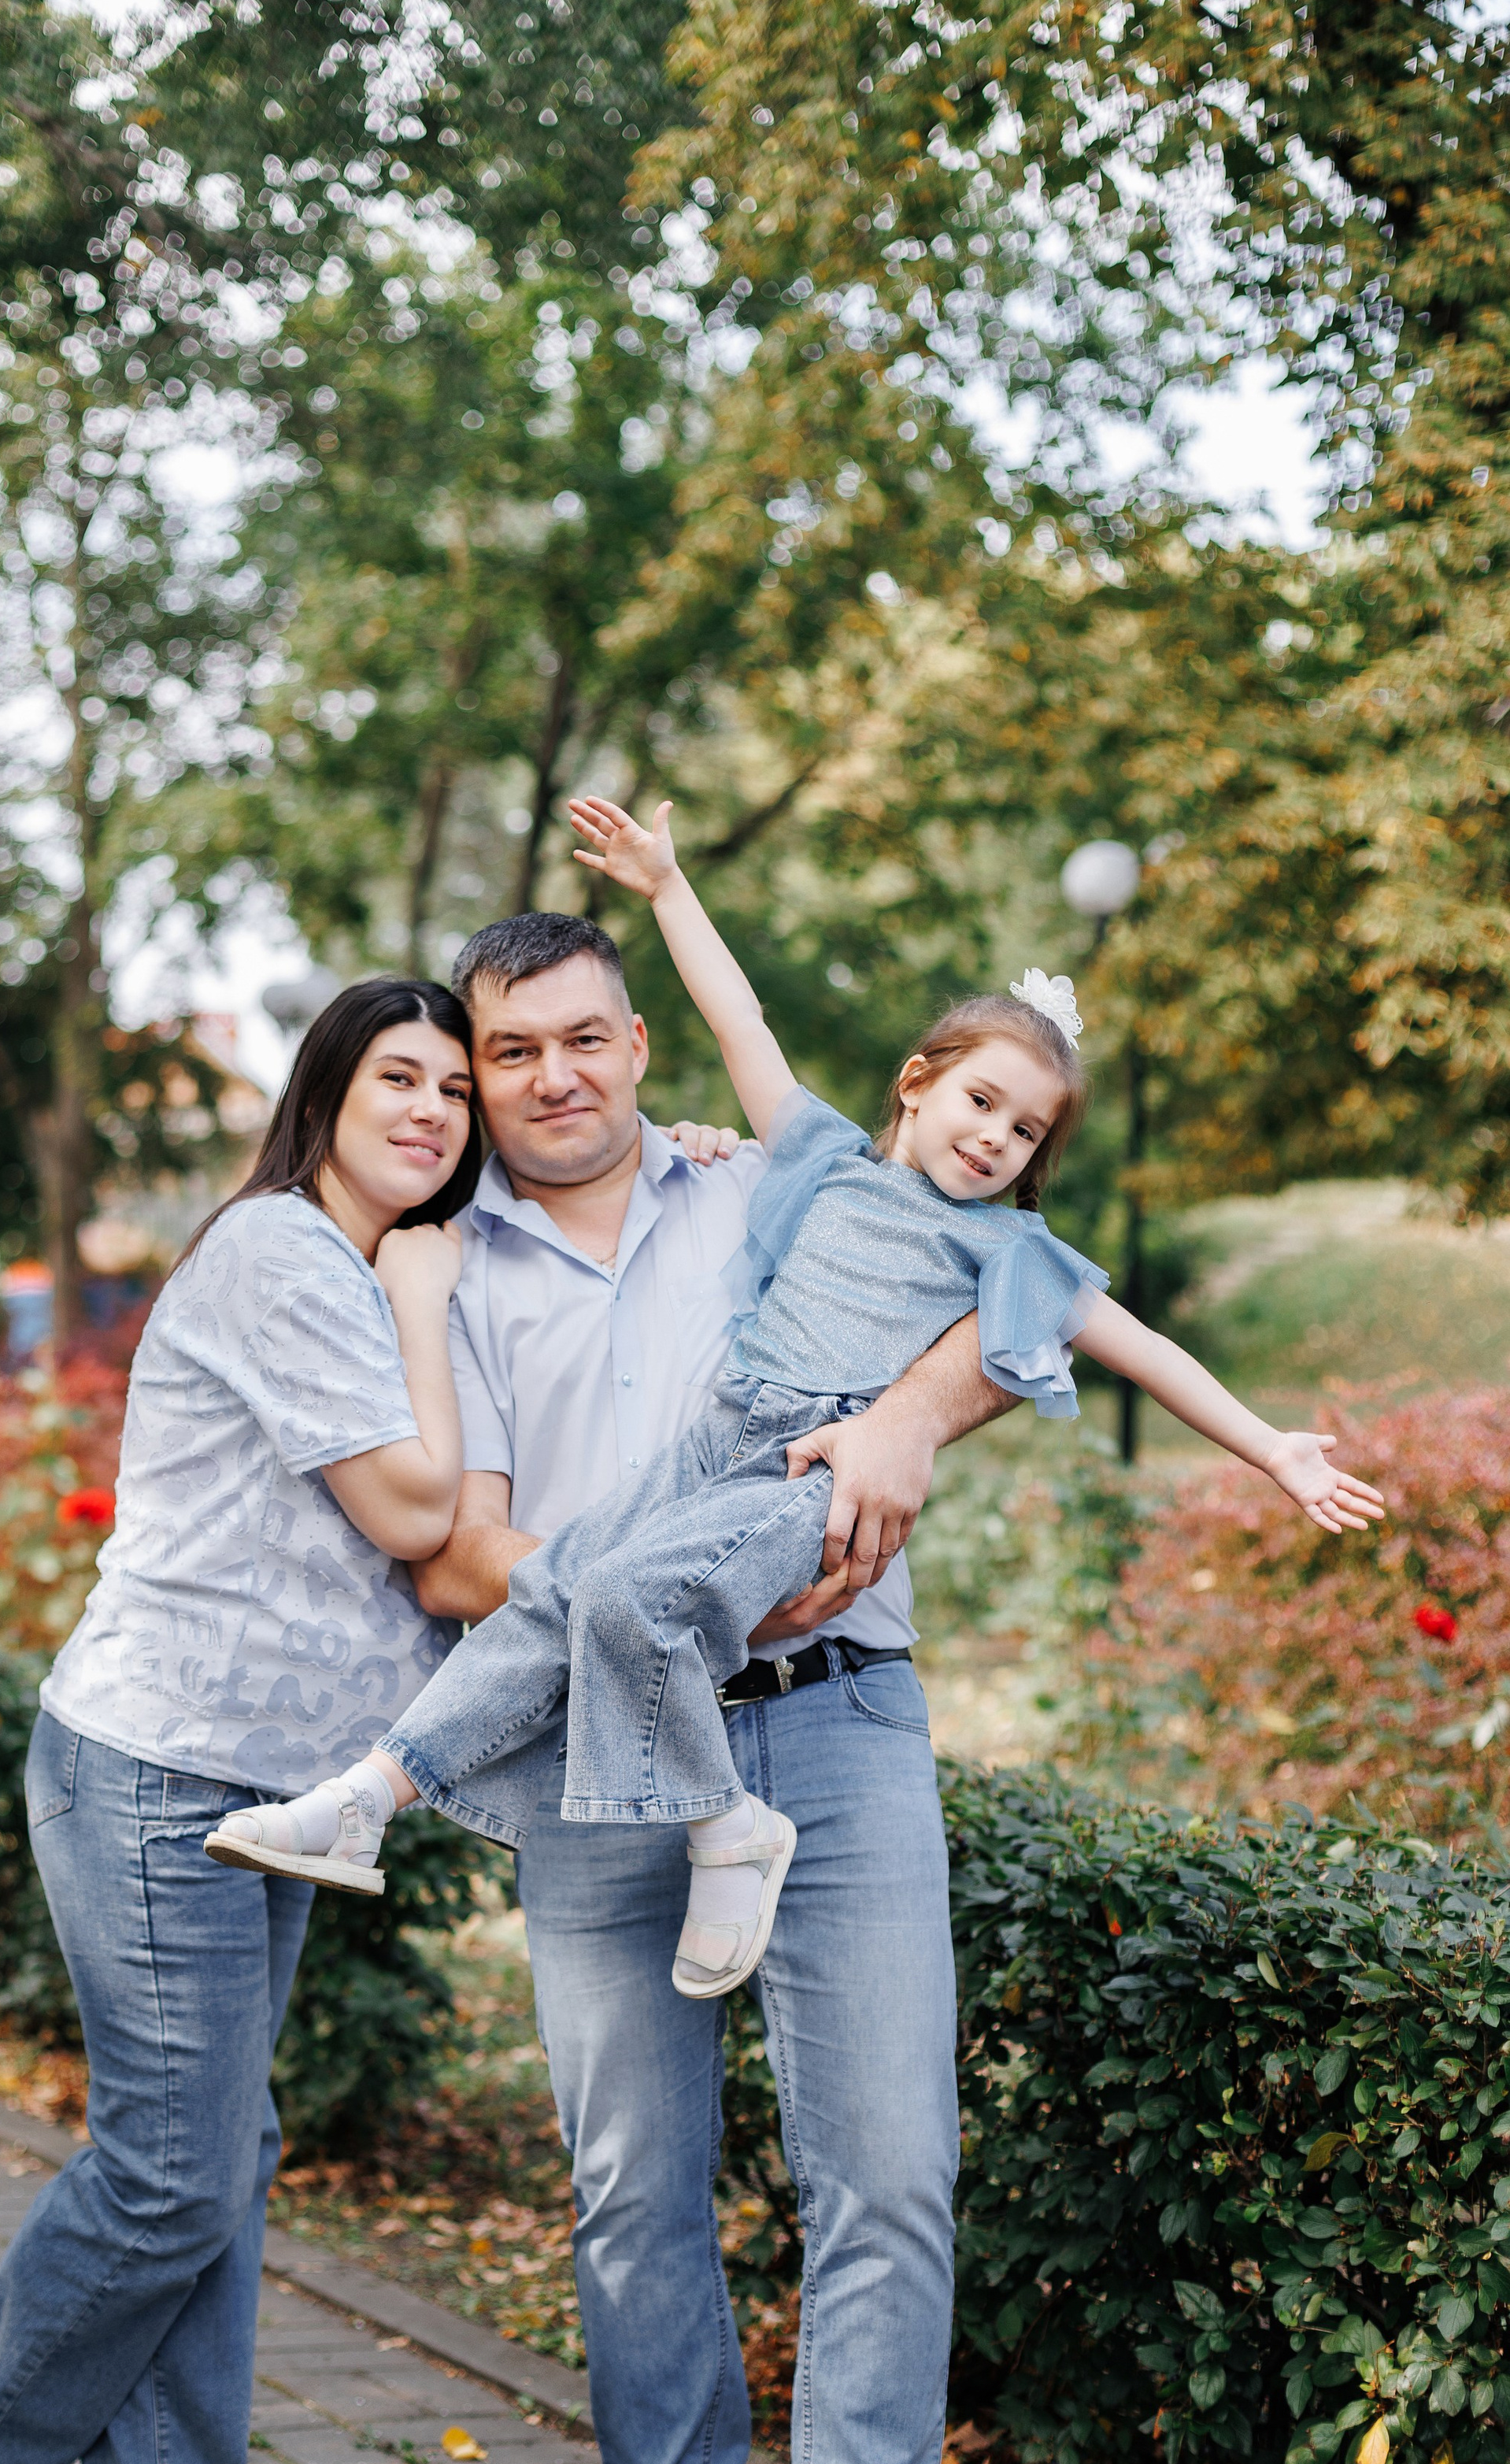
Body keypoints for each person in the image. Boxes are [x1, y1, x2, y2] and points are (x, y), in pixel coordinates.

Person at [224, 897, 1012, 2464]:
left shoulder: (768, 1189)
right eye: (510, 1051)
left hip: (833, 1729)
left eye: (583, 1037)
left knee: (883, 2166)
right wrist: (663, 1582)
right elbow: (456, 1557)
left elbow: (1008, 1299)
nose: (550, 1076)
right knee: (628, 2182)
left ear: (637, 1043)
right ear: (478, 1075)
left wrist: (903, 1423)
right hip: (592, 1743)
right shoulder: (442, 1273)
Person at [213, 801, 1381, 2013]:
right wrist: (665, 885)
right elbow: (740, 1019)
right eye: (981, 1101)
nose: (996, 1138)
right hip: (726, 1428)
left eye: (1027, 1129)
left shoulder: (1013, 1253)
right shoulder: (813, 1156)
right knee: (552, 1590)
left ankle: (725, 1826)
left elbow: (1142, 1347)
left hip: (812, 1464)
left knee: (624, 1592)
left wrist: (1271, 1448)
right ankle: (366, 1800)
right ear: (916, 1084)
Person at [0, 976, 479, 2464]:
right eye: (397, 1078)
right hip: (157, 1765)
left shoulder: (357, 1265)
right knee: (169, 2171)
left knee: (212, 2152)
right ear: (326, 1093)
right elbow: (417, 1505)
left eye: (453, 1090)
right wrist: (426, 1300)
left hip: (256, 1782)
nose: (432, 1110)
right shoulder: (290, 1254)